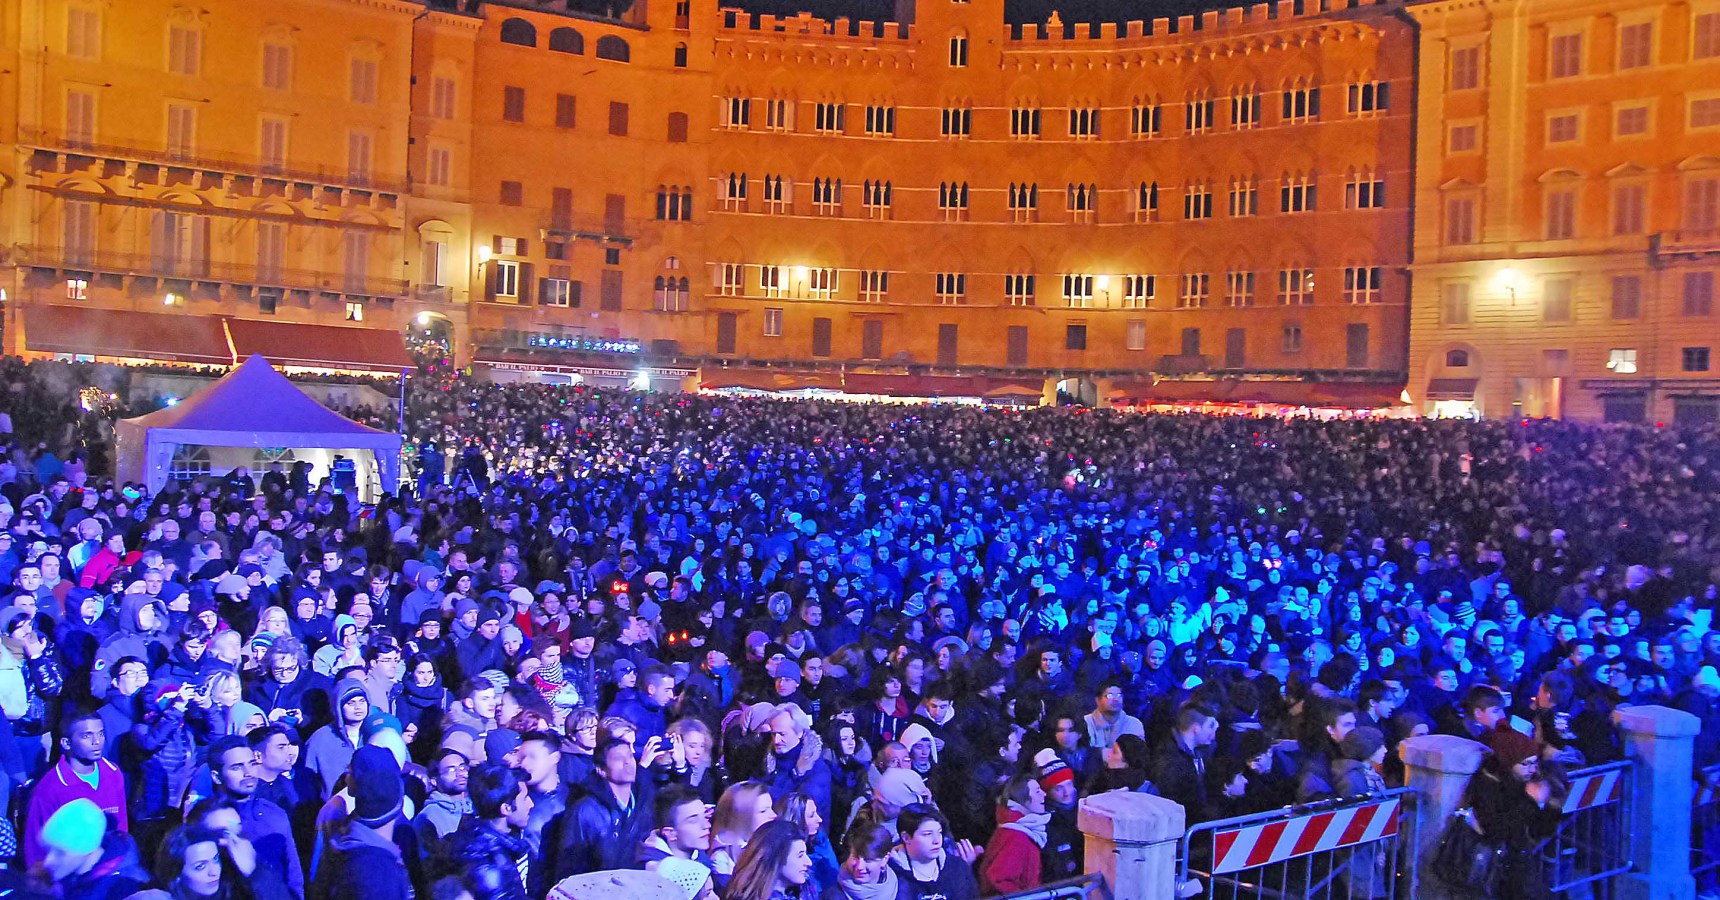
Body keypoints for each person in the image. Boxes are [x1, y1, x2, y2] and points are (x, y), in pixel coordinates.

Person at [25, 709, 127, 868]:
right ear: (66, 743)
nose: (97, 741)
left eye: (100, 734)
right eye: (87, 736)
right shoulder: (50, 788)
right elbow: (35, 849)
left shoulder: (113, 773)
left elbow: (121, 828)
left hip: (109, 874)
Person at [313, 746, 412, 900]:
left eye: (351, 773)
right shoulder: (337, 812)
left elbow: (319, 876)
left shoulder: (344, 824)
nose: (346, 778)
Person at [553, 736, 651, 882]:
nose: (628, 762)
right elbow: (569, 870)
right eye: (618, 758)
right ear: (601, 770)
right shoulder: (584, 812)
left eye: (630, 756)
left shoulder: (645, 799)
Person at [448, 762, 536, 900]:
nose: (531, 804)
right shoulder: (487, 868)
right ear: (506, 808)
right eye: (525, 798)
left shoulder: (509, 838)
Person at [36, 798, 150, 900]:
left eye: (60, 852)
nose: (47, 861)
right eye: (48, 849)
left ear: (87, 848)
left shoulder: (125, 889)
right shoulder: (73, 876)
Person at [977, 773, 1048, 896]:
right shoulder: (1017, 837)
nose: (1044, 794)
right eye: (1037, 792)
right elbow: (998, 878)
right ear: (1023, 798)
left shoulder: (1016, 830)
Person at [889, 804, 979, 900]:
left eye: (939, 832)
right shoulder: (891, 874)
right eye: (927, 834)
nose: (936, 840)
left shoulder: (957, 867)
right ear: (906, 838)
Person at [722, 818, 814, 900]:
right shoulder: (742, 896)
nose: (809, 863)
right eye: (800, 855)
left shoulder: (807, 891)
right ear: (776, 859)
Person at [711, 781, 777, 885]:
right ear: (741, 817)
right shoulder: (723, 859)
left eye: (771, 808)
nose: (774, 815)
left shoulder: (770, 843)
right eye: (763, 811)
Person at [826, 824, 897, 900]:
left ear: (884, 860)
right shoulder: (831, 897)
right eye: (855, 857)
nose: (859, 867)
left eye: (868, 860)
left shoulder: (902, 891)